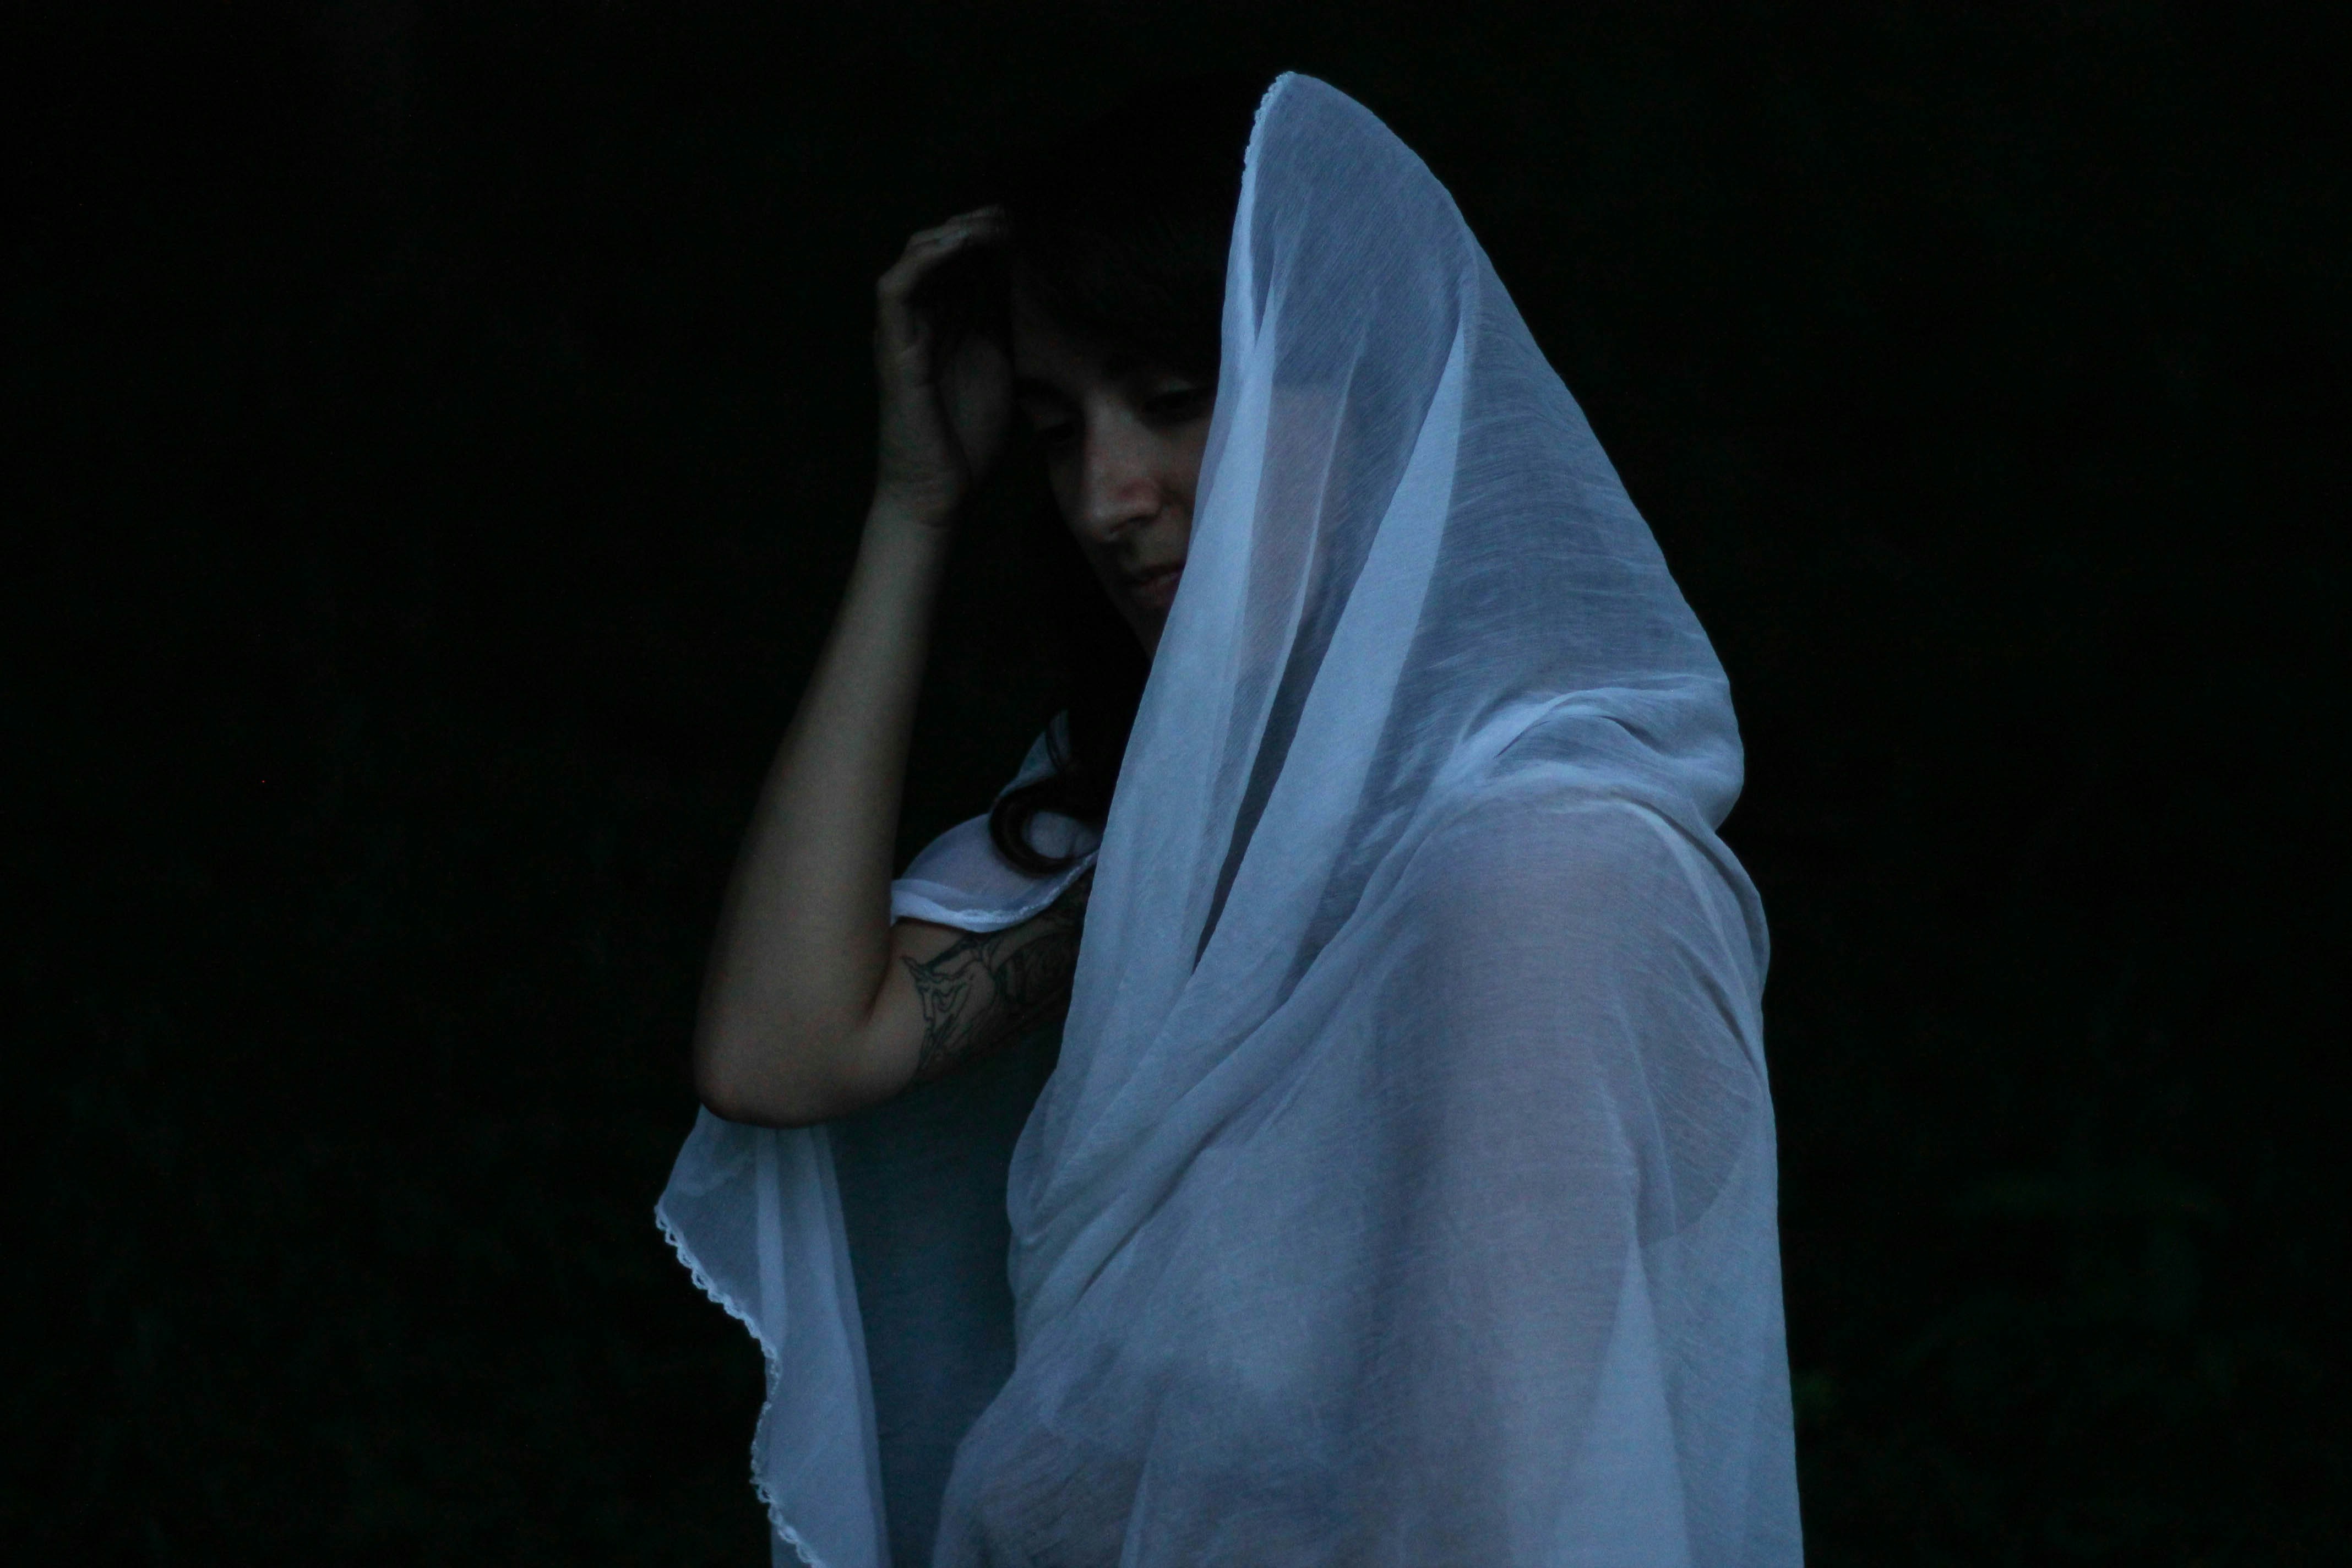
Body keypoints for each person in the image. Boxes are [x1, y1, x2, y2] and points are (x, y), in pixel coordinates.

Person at [661, 73, 1801, 1567]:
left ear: (1357, 379)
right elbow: (781, 1050)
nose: (1104, 497)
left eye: (1174, 400)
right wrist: (913, 508)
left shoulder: (1537, 879)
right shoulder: (1178, 837)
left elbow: (1504, 1498)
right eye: (1057, 428)